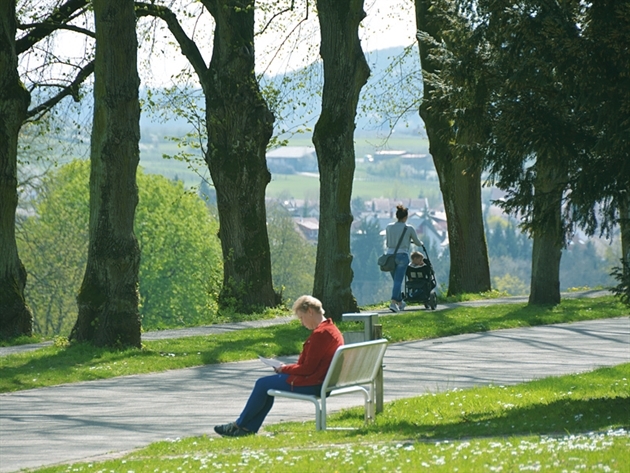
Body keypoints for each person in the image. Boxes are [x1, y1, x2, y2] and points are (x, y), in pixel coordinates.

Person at [213, 295, 344, 437]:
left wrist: (283, 368)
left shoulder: (321, 334)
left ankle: (238, 426)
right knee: (267, 386)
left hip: (314, 383)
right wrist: (286, 368)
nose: (301, 323)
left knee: (262, 384)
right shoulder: (332, 330)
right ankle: (246, 429)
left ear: (310, 312)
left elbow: (308, 369)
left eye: (301, 317)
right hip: (323, 381)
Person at [385, 204, 422, 312]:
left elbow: (387, 243)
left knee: (396, 280)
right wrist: (421, 243)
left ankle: (400, 303)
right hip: (402, 256)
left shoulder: (389, 227)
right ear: (405, 217)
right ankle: (393, 302)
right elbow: (417, 242)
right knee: (398, 281)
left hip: (390, 256)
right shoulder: (408, 228)